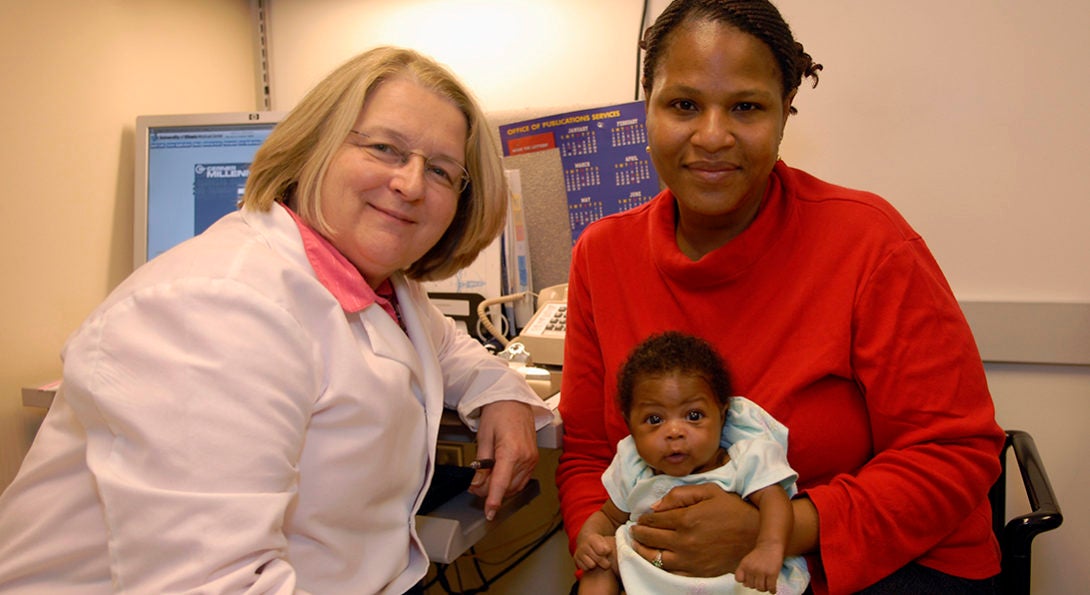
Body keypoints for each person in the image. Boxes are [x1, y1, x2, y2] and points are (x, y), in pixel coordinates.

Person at [0, 46, 553, 594]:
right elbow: (211, 584)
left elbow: (450, 350)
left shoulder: (377, 282)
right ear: (314, 147)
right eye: (385, 148)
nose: (410, 184)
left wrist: (501, 395)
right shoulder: (214, 310)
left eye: (439, 170)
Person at [556, 1, 1006, 593]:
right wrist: (603, 559)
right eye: (684, 104)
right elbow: (589, 452)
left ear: (785, 115)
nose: (712, 135)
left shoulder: (870, 241)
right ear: (647, 109)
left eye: (745, 106)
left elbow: (953, 452)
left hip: (882, 565)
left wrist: (772, 532)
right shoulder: (602, 253)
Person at [573, 331, 809, 595]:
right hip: (652, 569)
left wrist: (768, 547)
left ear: (722, 415)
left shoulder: (744, 459)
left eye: (693, 415)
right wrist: (589, 539)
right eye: (654, 419)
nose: (674, 431)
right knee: (601, 561)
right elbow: (607, 516)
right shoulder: (633, 465)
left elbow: (775, 500)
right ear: (630, 425)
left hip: (730, 578)